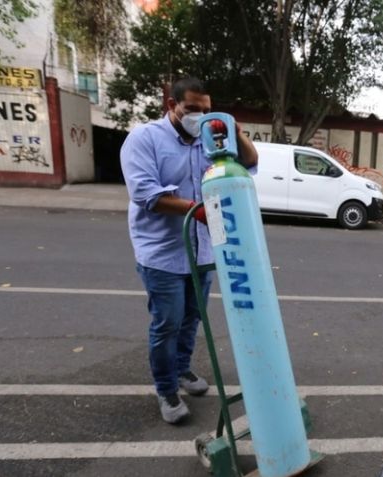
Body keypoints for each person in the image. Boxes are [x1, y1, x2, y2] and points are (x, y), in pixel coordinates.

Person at [120, 77, 258, 424]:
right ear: (172, 106)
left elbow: (250, 164)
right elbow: (147, 195)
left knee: (192, 319)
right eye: (192, 109)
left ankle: (181, 369)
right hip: (162, 253)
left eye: (206, 111)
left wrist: (234, 130)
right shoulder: (144, 139)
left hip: (202, 252)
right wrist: (199, 210)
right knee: (167, 323)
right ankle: (166, 388)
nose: (199, 116)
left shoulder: (209, 141)